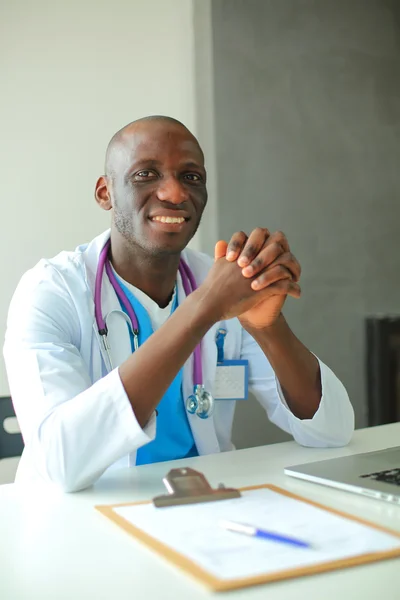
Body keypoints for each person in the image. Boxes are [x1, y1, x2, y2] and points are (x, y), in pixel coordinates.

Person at [3, 116, 354, 492]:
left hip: (202, 506)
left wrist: (267, 327)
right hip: (83, 521)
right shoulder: (51, 291)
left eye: (191, 177)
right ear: (105, 193)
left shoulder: (219, 282)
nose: (174, 193)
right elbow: (61, 462)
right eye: (145, 174)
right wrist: (203, 308)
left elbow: (332, 431)